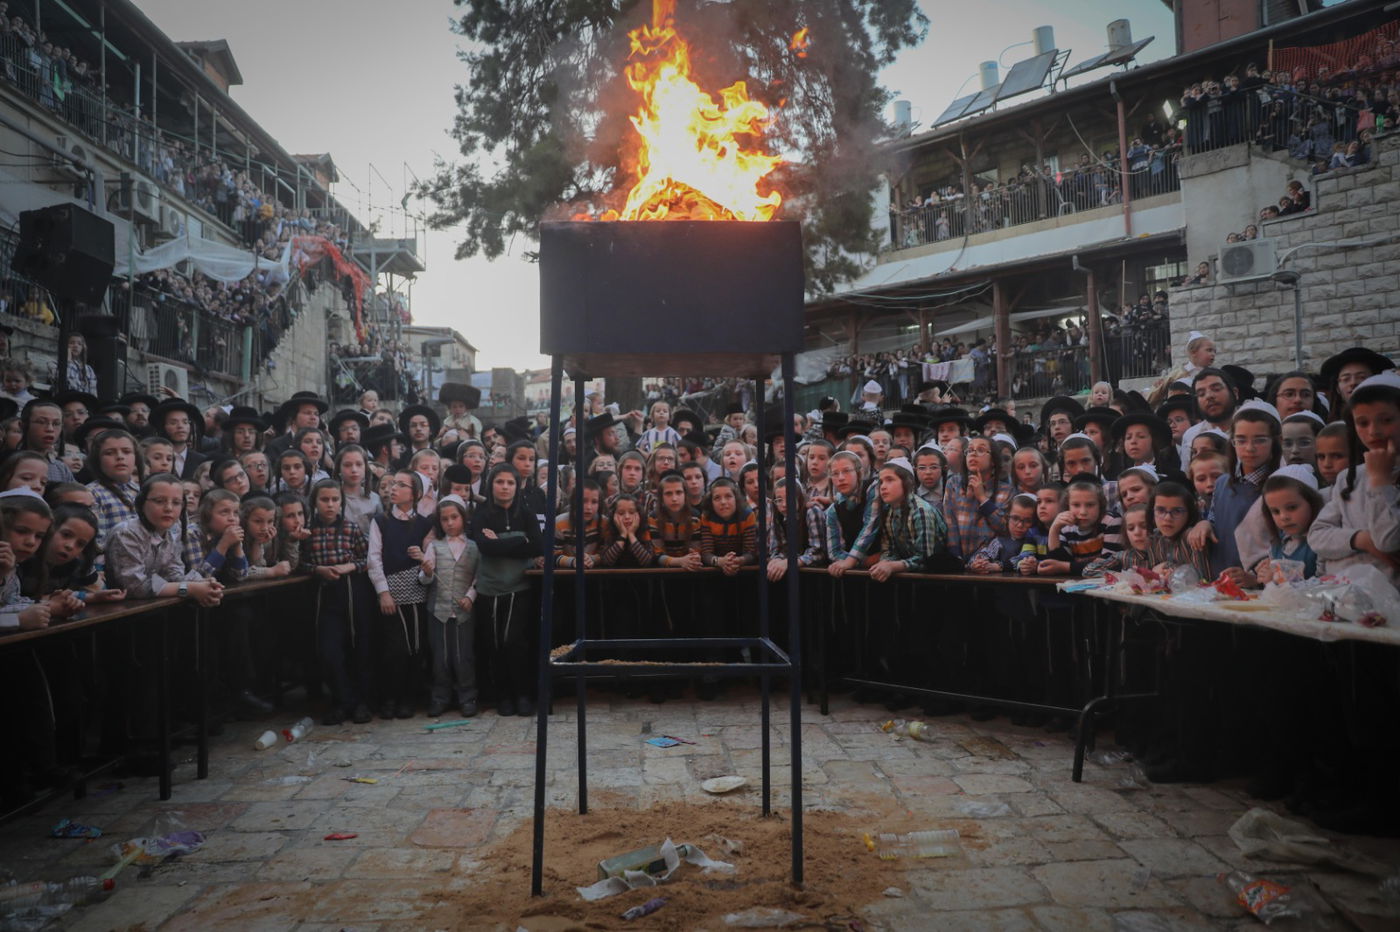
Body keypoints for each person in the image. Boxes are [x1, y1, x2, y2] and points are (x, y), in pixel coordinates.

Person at [1309, 373, 1400, 587]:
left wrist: (1381, 482)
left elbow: (1387, 541)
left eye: (1386, 420)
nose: (1373, 431)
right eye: (1362, 423)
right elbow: (1317, 535)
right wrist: (1361, 540)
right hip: (1347, 595)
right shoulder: (1351, 477)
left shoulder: (1376, 477)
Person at [470, 462, 543, 717]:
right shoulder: (482, 514)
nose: (505, 487)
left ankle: (522, 694)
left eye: (510, 482)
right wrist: (518, 540)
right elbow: (485, 547)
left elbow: (537, 546)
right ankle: (503, 696)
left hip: (519, 587)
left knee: (515, 642)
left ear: (517, 486)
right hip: (489, 588)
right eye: (500, 482)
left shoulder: (526, 514)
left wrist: (501, 541)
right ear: (491, 485)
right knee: (495, 643)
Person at [368, 470, 435, 719]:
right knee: (393, 649)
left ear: (415, 493)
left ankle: (408, 698)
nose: (393, 488)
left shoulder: (425, 524)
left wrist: (425, 565)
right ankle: (390, 698)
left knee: (416, 647)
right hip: (391, 593)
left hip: (417, 593)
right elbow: (374, 559)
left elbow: (429, 566)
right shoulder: (381, 521)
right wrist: (383, 592)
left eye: (401, 484)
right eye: (392, 483)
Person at [305, 479, 372, 725]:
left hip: (352, 591)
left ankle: (361, 702)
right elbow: (299, 563)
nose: (330, 505)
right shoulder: (308, 531)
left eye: (335, 500)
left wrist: (350, 566)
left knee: (358, 647)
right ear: (315, 502)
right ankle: (342, 700)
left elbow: (368, 558)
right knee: (330, 651)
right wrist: (318, 570)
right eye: (324, 500)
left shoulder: (351, 529)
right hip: (325, 594)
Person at [104, 473, 224, 606]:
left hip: (155, 607)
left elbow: (173, 573)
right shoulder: (126, 533)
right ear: (141, 503)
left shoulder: (174, 530)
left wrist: (201, 583)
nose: (169, 508)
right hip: (120, 610)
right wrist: (189, 589)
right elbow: (136, 588)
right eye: (160, 501)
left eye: (176, 503)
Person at [419, 494, 480, 717]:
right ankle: (440, 697)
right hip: (439, 610)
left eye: (454, 517)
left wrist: (470, 596)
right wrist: (427, 573)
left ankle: (467, 697)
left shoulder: (474, 547)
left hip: (464, 611)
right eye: (445, 519)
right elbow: (425, 579)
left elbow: (479, 576)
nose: (450, 523)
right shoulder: (434, 546)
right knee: (440, 657)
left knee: (464, 656)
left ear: (463, 518)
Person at [943, 434, 1012, 560]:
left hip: (990, 560)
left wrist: (982, 498)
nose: (973, 454)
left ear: (993, 461)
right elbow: (950, 524)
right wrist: (956, 557)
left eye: (980, 450)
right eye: (969, 450)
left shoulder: (1006, 490)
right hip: (958, 559)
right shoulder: (954, 483)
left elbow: (1004, 528)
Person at [1256, 465, 1324, 583]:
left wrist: (1279, 578)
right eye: (1276, 511)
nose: (1283, 517)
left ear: (1313, 503)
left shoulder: (1322, 542)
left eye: (1292, 507)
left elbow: (1327, 584)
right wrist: (1261, 574)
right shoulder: (1278, 543)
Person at [1147, 481, 1211, 579]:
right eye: (1160, 510)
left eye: (1177, 511)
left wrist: (1173, 571)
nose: (1167, 518)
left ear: (1189, 514)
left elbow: (1205, 580)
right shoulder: (1154, 538)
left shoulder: (1193, 538)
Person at [1042, 479, 1107, 576]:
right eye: (1076, 505)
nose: (1083, 512)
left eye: (1090, 505)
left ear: (1100, 505)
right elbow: (1055, 563)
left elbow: (1109, 564)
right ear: (1067, 506)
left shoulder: (1110, 521)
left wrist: (1065, 567)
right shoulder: (1065, 528)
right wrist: (1054, 529)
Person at [151, 399, 207, 480]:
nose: (180, 426)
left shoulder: (202, 461)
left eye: (185, 422)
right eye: (173, 423)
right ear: (162, 427)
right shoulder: (152, 459)